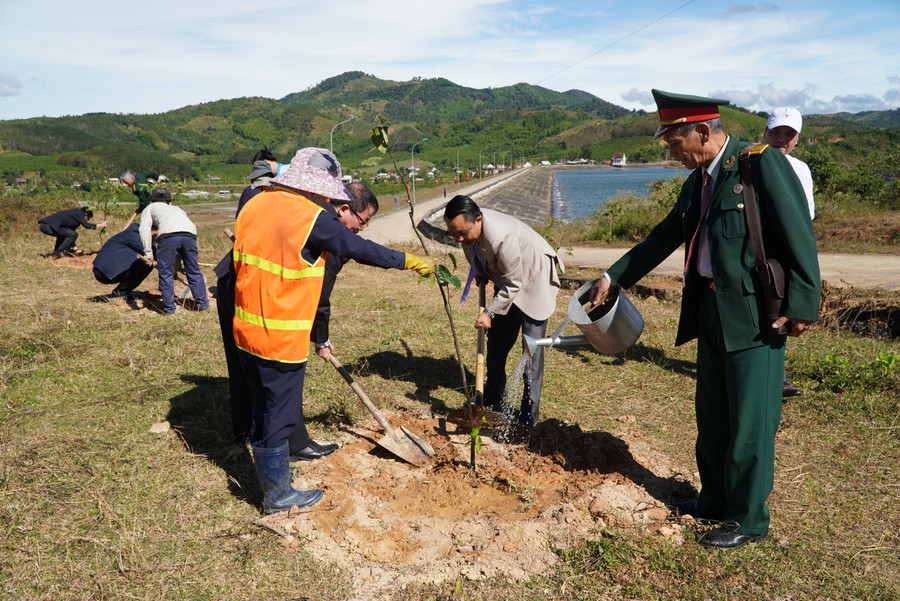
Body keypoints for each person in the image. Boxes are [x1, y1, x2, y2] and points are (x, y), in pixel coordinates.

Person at [588, 90, 820, 549]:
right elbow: (664, 237)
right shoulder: (698, 181)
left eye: (674, 141)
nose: (672, 151)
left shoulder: (758, 164)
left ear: (701, 132)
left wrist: (803, 305)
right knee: (713, 414)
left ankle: (748, 517)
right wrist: (614, 276)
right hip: (711, 308)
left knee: (751, 420)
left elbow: (798, 232)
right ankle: (714, 500)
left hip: (757, 314)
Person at [232, 147, 434, 513]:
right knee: (277, 411)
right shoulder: (309, 216)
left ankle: (276, 471)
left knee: (262, 404)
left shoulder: (256, 203)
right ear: (319, 187)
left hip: (246, 326)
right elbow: (357, 247)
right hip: (282, 332)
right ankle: (278, 495)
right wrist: (407, 260)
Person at [443, 195, 564, 427]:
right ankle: (493, 392)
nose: (459, 239)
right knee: (497, 340)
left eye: (463, 233)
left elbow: (515, 283)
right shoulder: (470, 234)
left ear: (478, 220)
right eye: (454, 234)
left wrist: (488, 312)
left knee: (532, 348)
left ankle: (529, 411)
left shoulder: (501, 236)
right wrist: (482, 271)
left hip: (533, 276)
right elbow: (480, 256)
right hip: (509, 279)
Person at [763, 107, 815, 398]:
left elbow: (804, 220)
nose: (782, 138)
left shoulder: (800, 169)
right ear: (765, 132)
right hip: (754, 250)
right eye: (777, 131)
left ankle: (776, 376)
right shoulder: (749, 161)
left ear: (797, 138)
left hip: (782, 252)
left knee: (778, 311)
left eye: (789, 133)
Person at [139, 189, 209, 315]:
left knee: (166, 274)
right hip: (190, 235)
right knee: (193, 270)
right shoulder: (178, 209)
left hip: (168, 236)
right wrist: (178, 265)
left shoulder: (149, 208)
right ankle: (203, 306)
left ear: (152, 201)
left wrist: (148, 253)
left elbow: (144, 229)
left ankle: (169, 310)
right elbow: (182, 232)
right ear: (169, 202)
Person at [92, 223, 154, 300]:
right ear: (153, 233)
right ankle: (121, 293)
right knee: (146, 265)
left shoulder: (136, 233)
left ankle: (122, 292)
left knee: (145, 262)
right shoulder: (135, 235)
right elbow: (157, 254)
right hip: (103, 272)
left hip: (106, 268)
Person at [38, 207, 107, 258]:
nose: (86, 220)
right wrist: (101, 225)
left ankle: (57, 252)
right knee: (73, 234)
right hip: (48, 226)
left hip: (46, 226)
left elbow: (70, 236)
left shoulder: (75, 216)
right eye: (88, 219)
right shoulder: (79, 214)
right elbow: (86, 226)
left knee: (66, 234)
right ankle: (58, 252)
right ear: (86, 214)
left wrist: (75, 249)